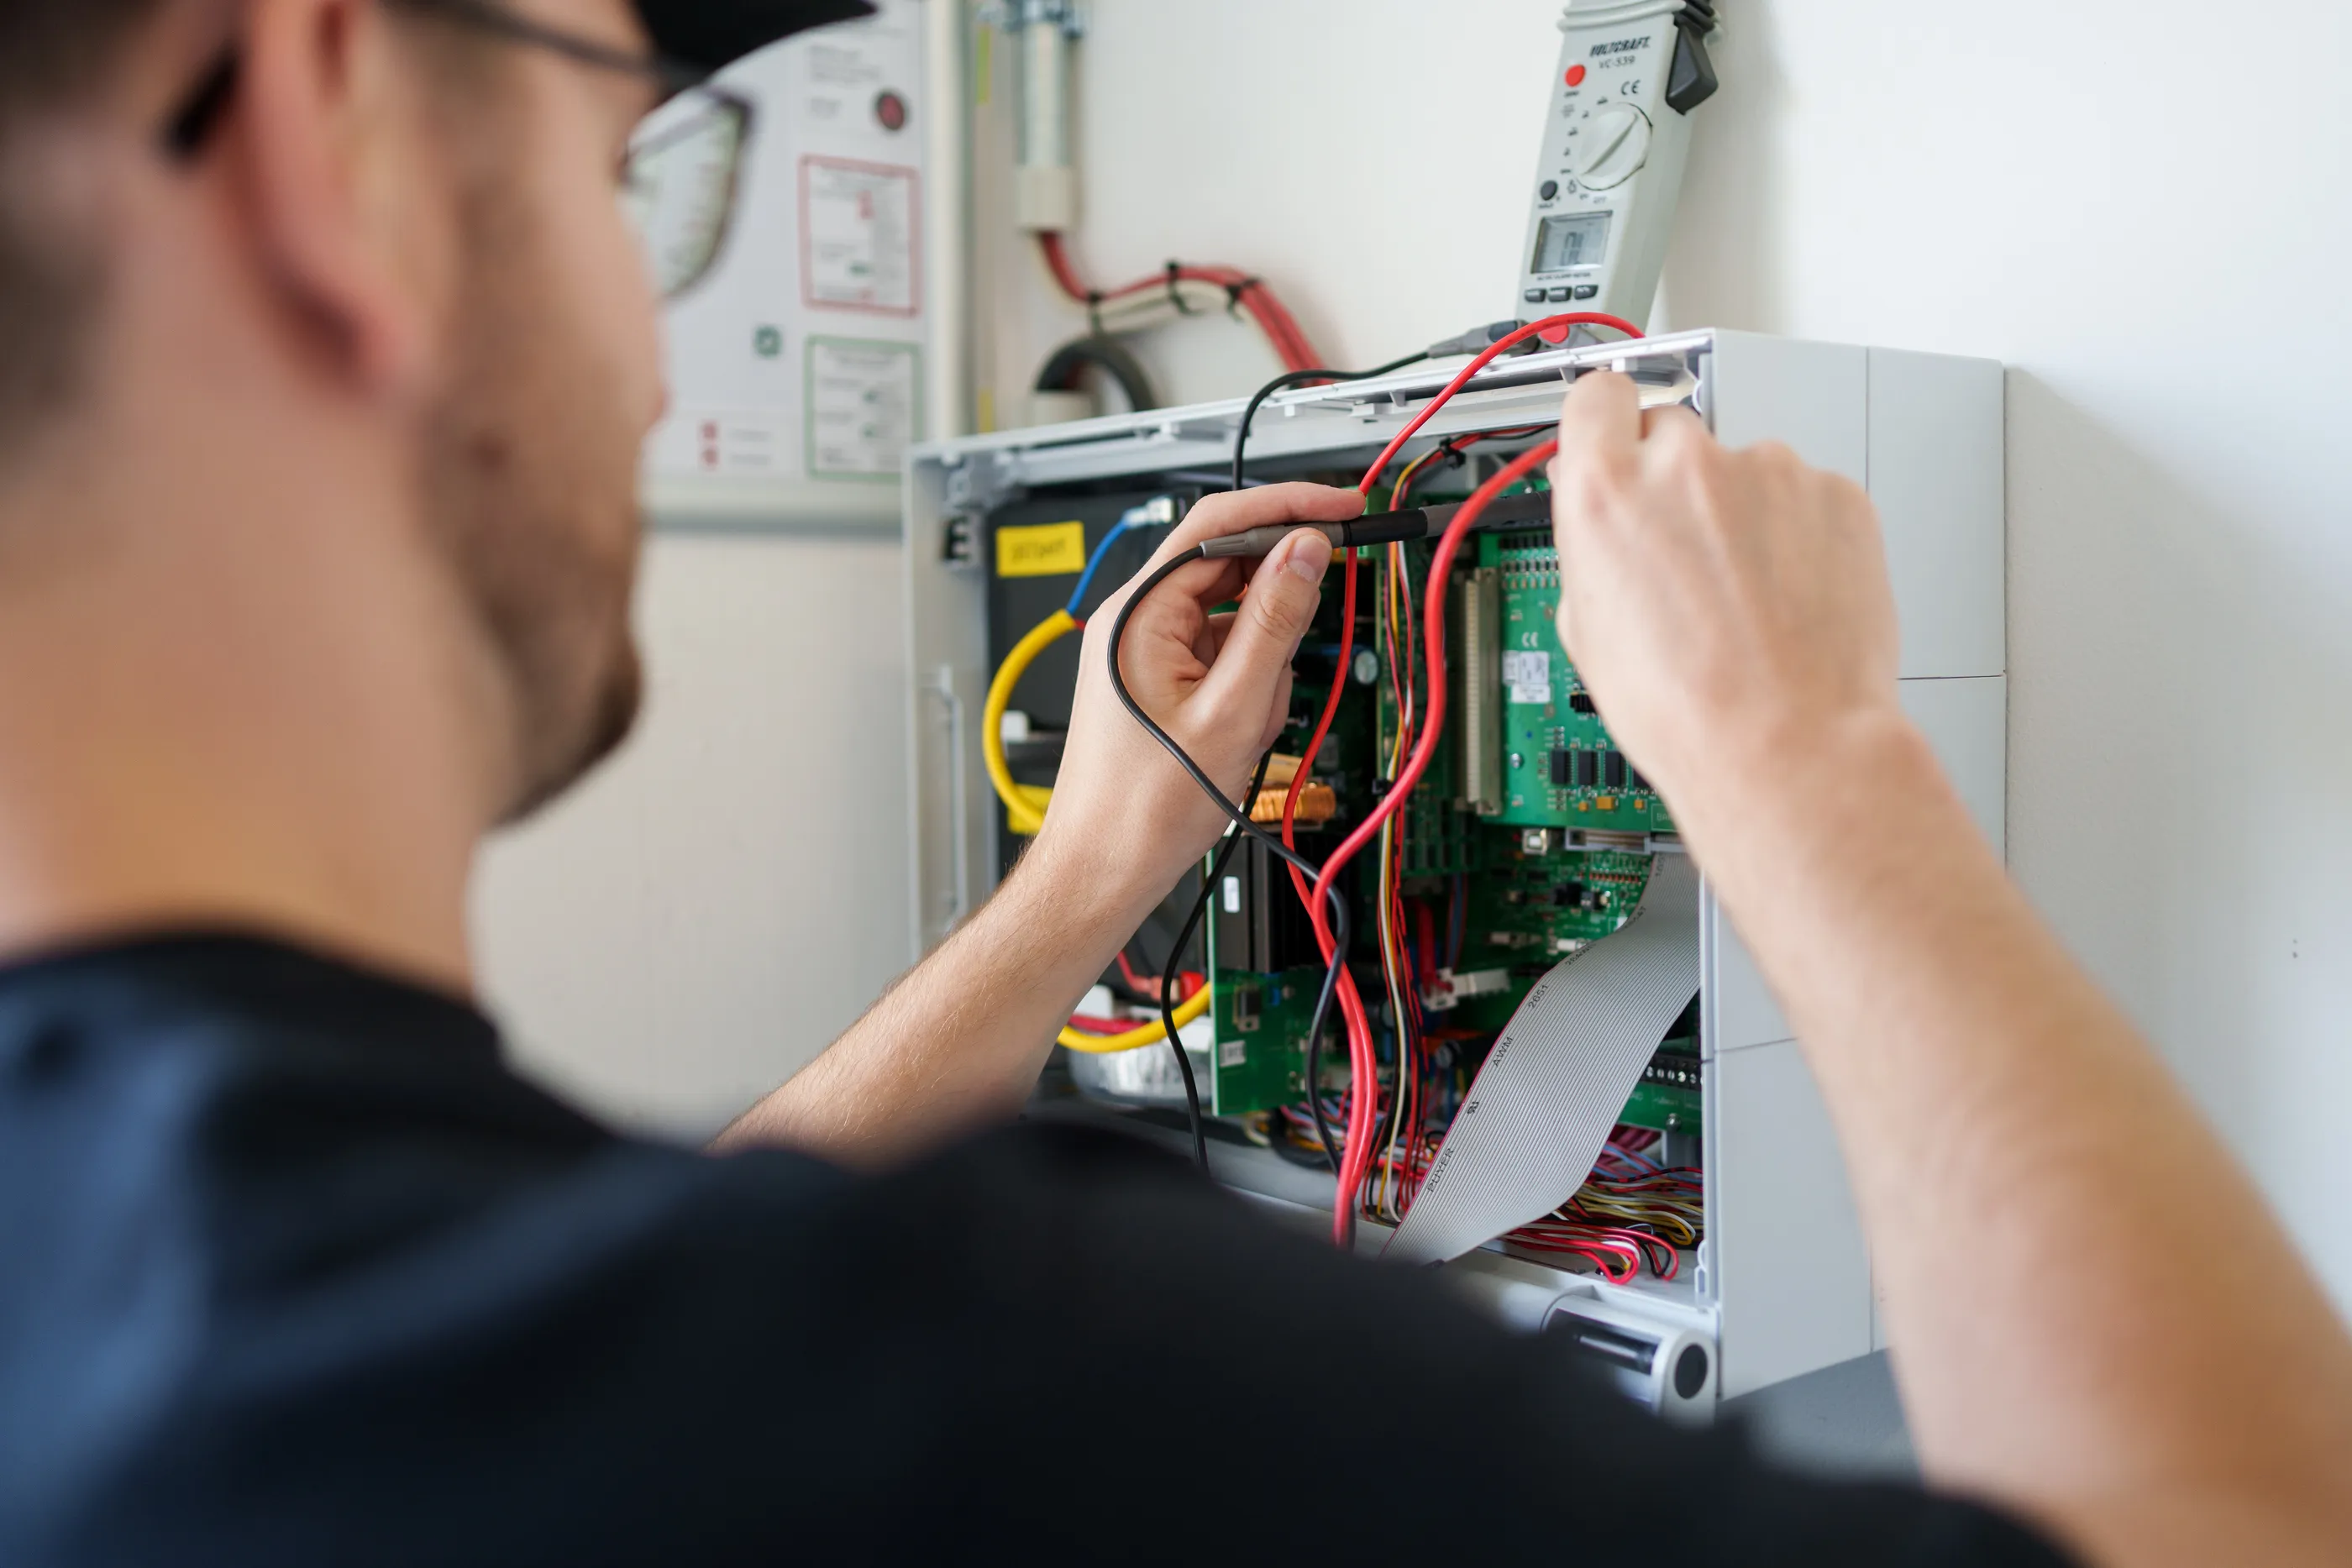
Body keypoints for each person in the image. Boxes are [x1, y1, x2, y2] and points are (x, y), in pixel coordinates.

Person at [0, 0, 2343, 1562]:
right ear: (343, 147)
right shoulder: (1002, 1386)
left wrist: (1094, 874)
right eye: (631, 182)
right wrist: (1822, 769)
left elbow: (588, 1293)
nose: (643, 374)